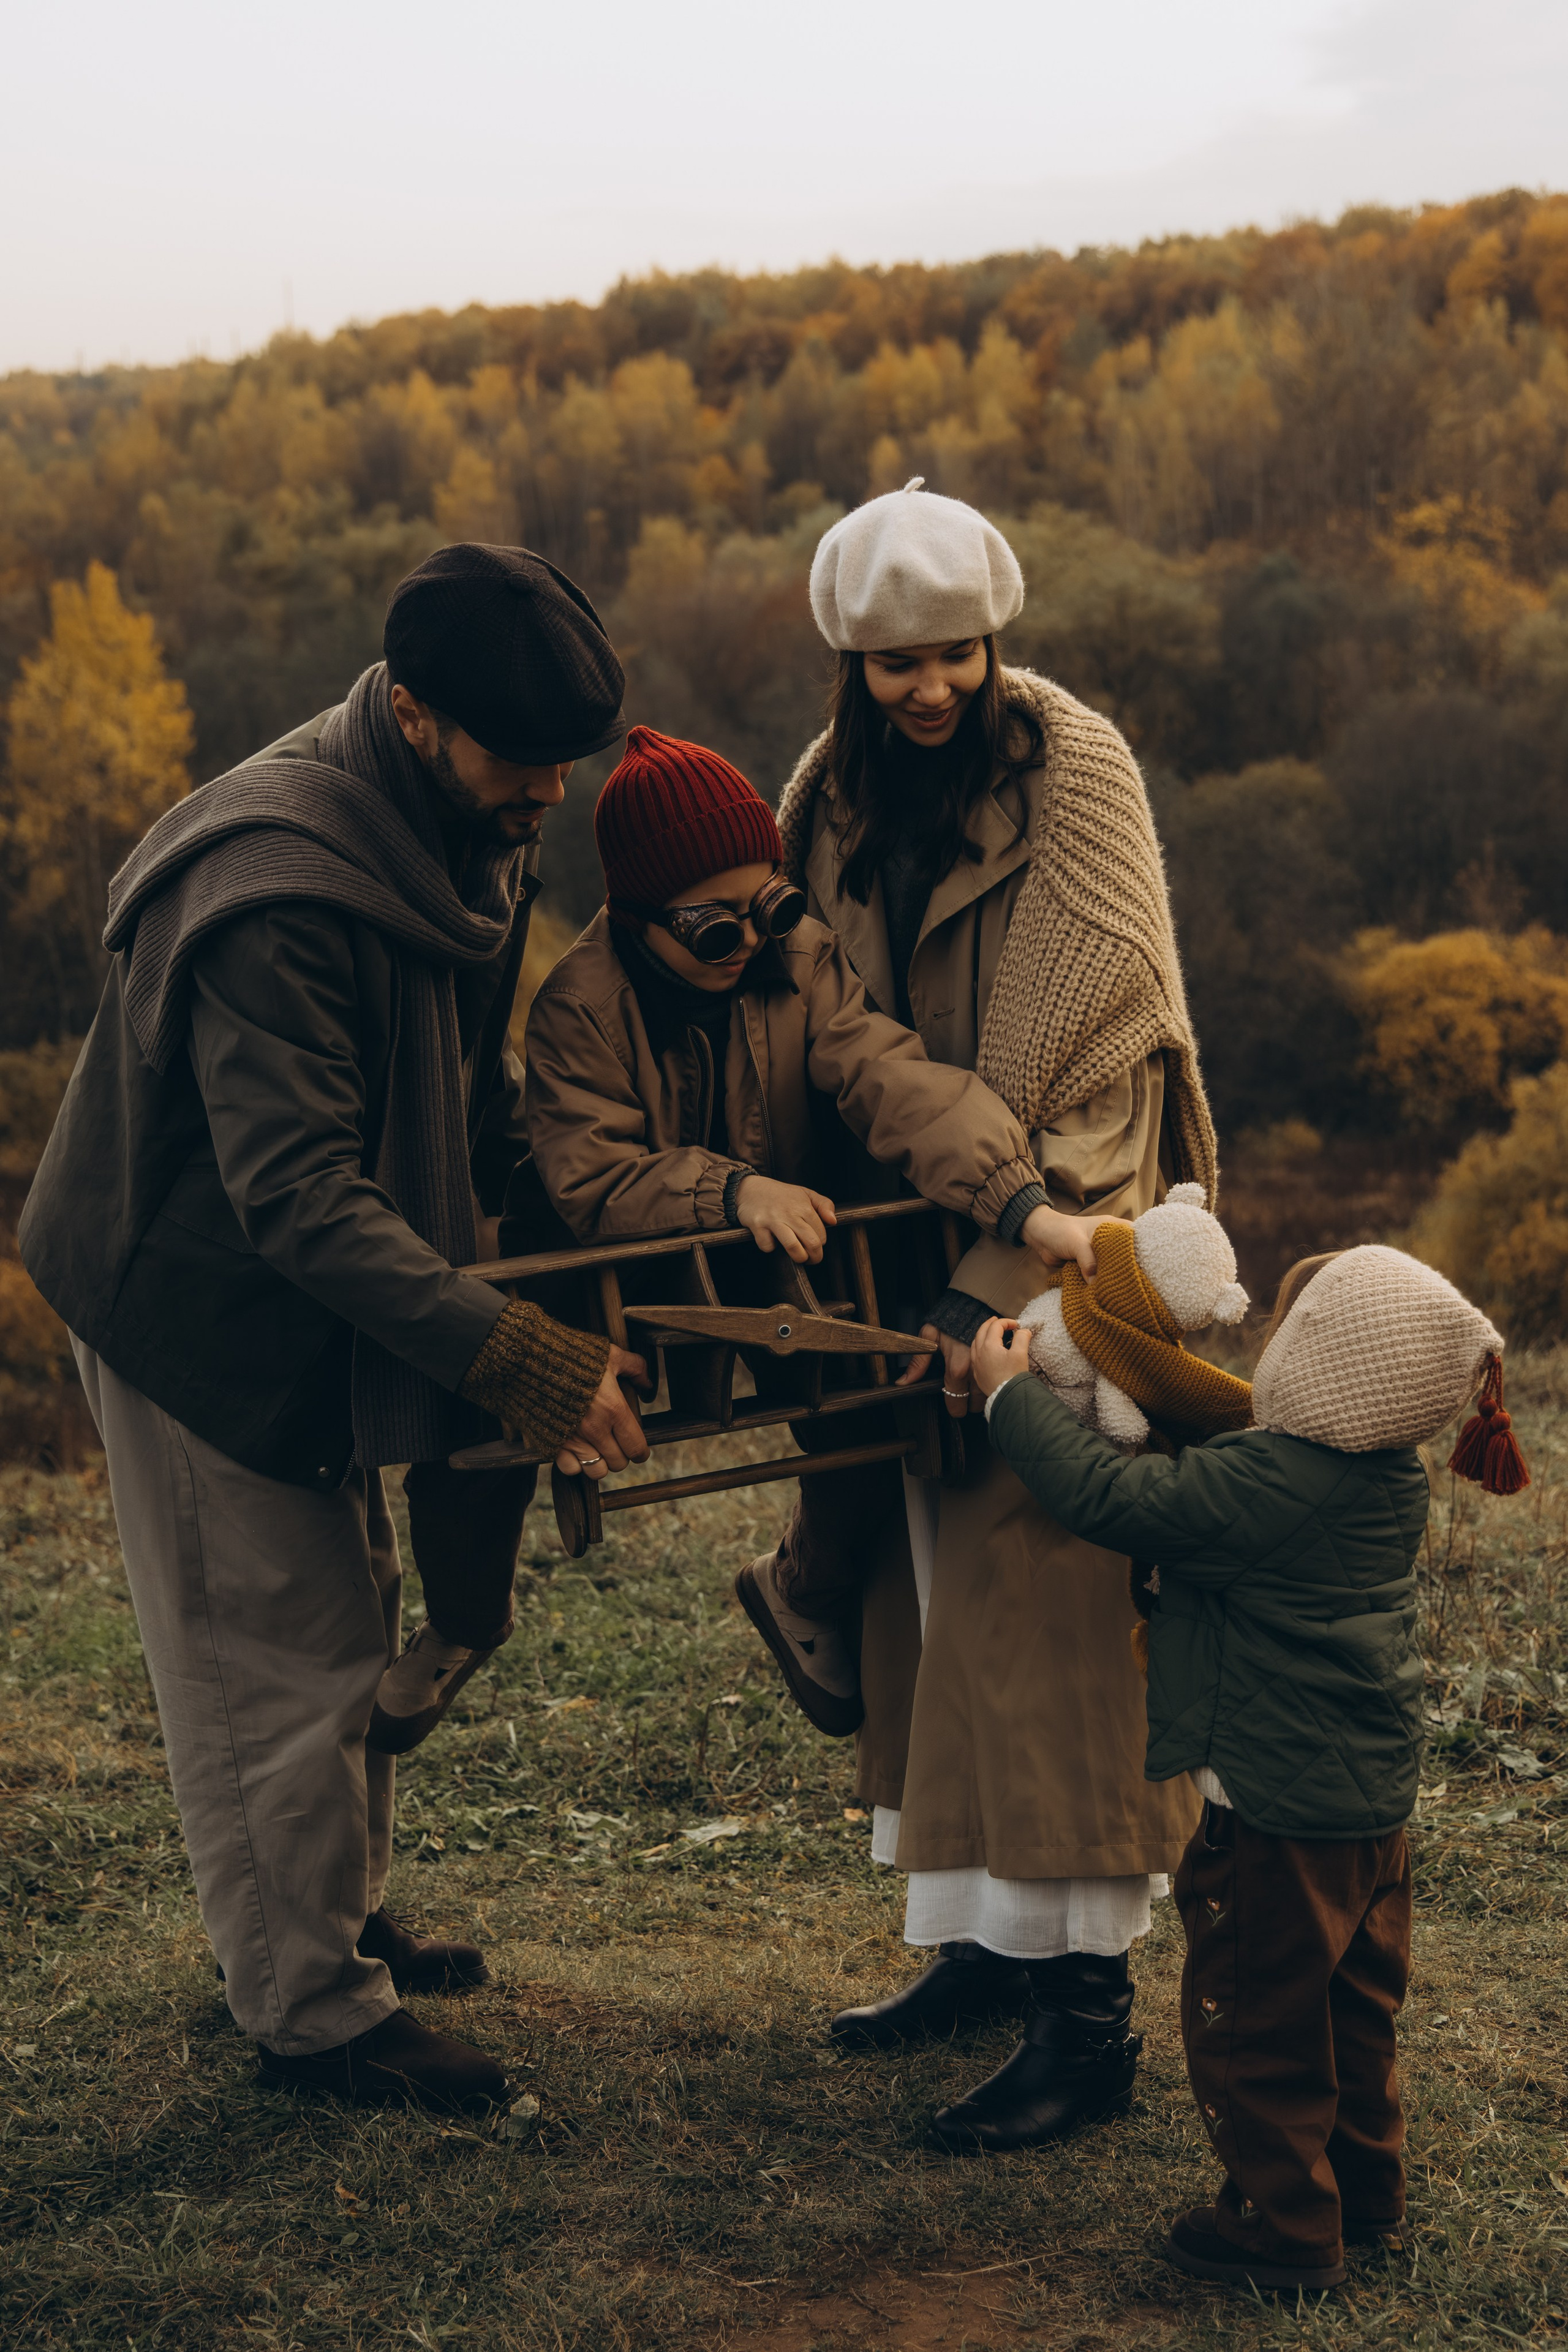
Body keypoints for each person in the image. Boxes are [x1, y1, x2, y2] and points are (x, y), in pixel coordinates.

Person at [19, 543, 650, 2114]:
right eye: (525, 761)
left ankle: (336, 1919)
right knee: (270, 1654)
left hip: (332, 1292)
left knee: (348, 1608)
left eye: (569, 762)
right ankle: (311, 2016)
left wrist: (589, 1229)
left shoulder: (458, 832)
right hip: (195, 1306)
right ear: (421, 718)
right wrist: (517, 1360)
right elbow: (294, 1194)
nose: (550, 795)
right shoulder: (279, 886)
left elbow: (467, 1095)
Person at [777, 478, 1213, 2150]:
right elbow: (817, 1030)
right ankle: (967, 1940)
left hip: (1059, 1246)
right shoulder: (826, 798)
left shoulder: (1075, 773)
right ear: (853, 666)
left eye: (952, 651)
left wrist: (997, 1281)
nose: (929, 687)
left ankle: (1085, 2018)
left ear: (993, 636)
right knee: (929, 1602)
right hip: (908, 1250)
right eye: (894, 664)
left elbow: (1112, 1056)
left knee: (1049, 1607)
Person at [508, 723, 1096, 1731]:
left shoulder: (796, 958)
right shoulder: (580, 1009)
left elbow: (892, 1075)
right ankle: (463, 1620)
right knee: (524, 1420)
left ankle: (805, 1586)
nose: (748, 945)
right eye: (713, 929)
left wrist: (1018, 1200)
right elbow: (590, 1176)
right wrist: (732, 1193)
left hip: (784, 1262)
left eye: (765, 909)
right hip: (629, 1283)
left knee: (879, 1397)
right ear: (638, 915)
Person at [969, 1245, 1517, 2293]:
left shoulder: (1263, 1482)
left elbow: (1116, 1501)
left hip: (1270, 1816)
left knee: (1254, 2022)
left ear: (1321, 1368)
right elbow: (1232, 1469)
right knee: (1352, 2015)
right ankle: (1365, 2202)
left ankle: (1283, 2231)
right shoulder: (1382, 1477)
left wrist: (1010, 1400)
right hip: (1367, 1816)